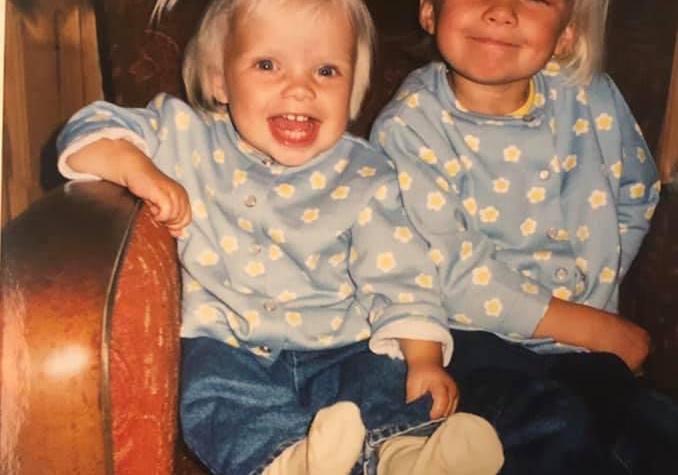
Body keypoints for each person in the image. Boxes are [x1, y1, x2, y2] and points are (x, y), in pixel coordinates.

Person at [56, 1, 508, 474]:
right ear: (219, 80)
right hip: (227, 343)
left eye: (327, 71)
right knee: (210, 392)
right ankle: (287, 461)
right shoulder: (184, 135)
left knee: (382, 379)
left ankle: (405, 455)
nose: (300, 88)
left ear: (353, 89)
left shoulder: (366, 174)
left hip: (341, 343)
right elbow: (89, 131)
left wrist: (424, 359)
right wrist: (140, 171)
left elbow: (400, 275)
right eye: (268, 65)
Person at [371, 0, 678, 473]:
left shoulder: (589, 95)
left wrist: (600, 287)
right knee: (554, 429)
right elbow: (444, 272)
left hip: (584, 344)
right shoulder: (409, 126)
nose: (502, 11)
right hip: (469, 339)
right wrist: (591, 327)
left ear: (567, 33)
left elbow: (635, 192)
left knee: (651, 428)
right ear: (430, 10)